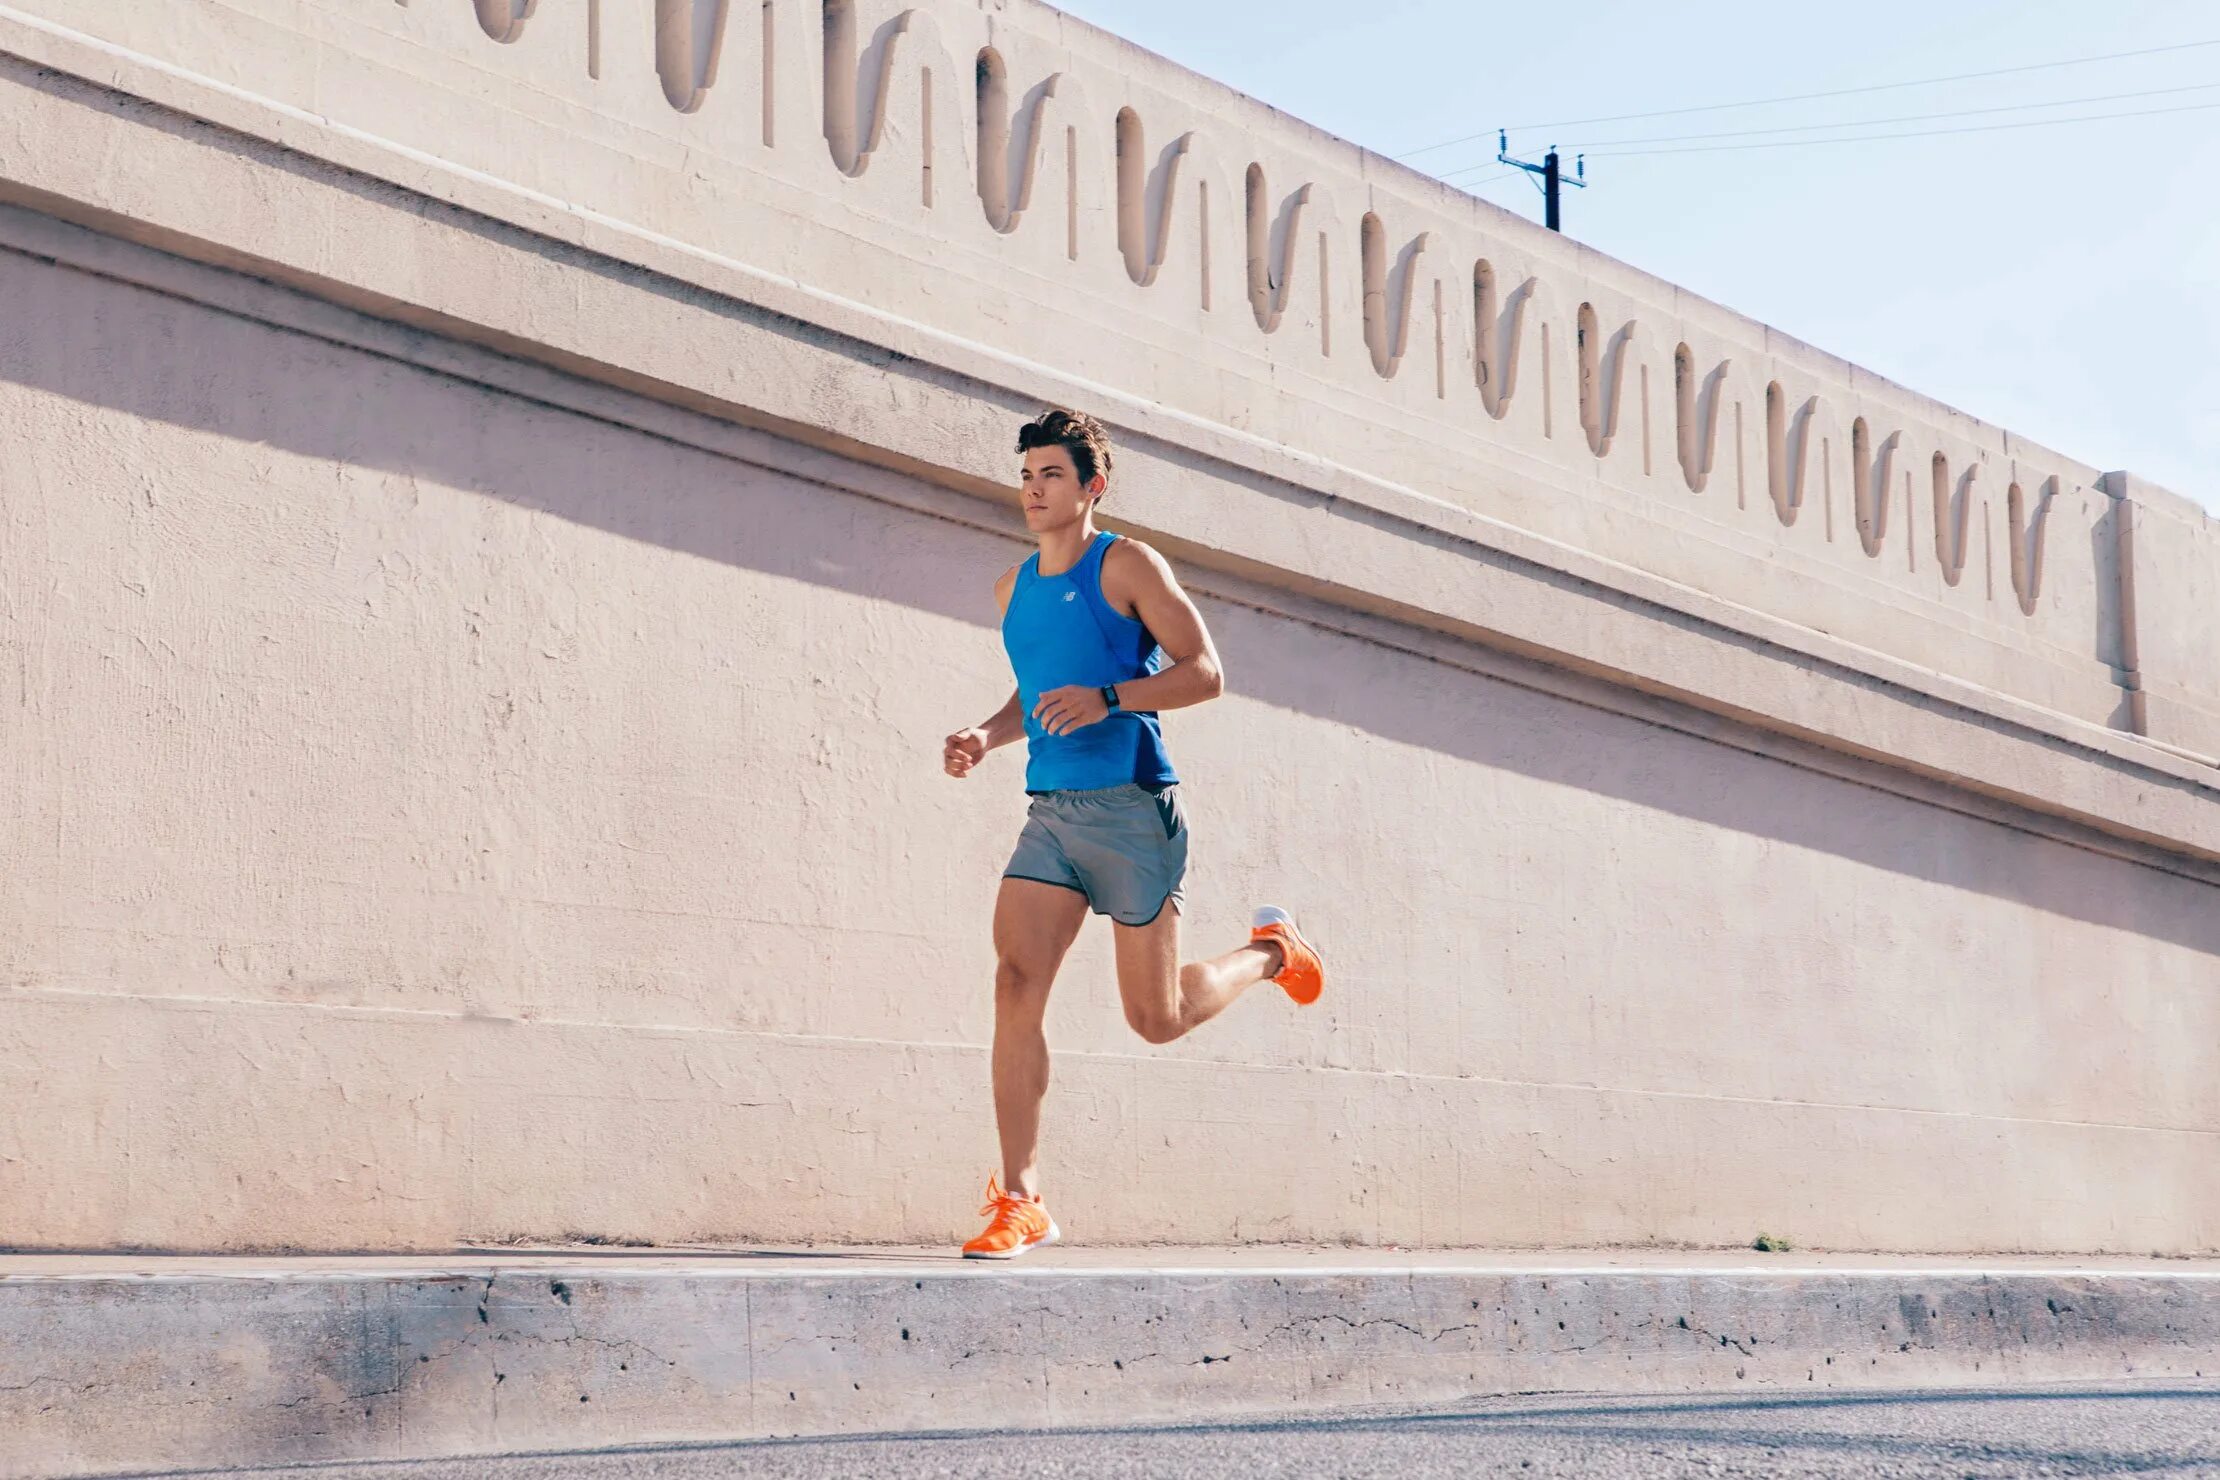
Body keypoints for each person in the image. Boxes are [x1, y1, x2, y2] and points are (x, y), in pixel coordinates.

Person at [941, 407, 1326, 1259]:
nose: (1033, 490)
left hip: (1132, 810)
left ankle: (1272, 952)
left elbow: (1206, 674)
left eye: (1051, 476)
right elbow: (1037, 693)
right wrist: (985, 735)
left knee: (1156, 1018)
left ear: (1091, 488)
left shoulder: (1127, 566)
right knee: (1013, 984)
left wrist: (1111, 699)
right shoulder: (1014, 588)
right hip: (1051, 816)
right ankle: (1021, 1198)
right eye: (1027, 475)